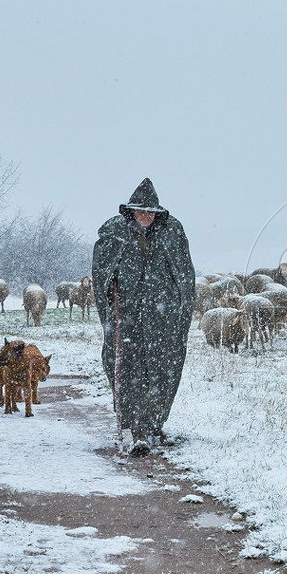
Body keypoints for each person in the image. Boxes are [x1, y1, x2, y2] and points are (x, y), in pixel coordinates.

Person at [92, 178, 196, 457]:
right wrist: (111, 294)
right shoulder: (114, 234)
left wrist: (178, 308)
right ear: (131, 212)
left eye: (150, 212)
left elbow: (184, 274)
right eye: (141, 211)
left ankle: (154, 422)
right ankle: (136, 427)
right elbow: (101, 273)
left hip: (162, 317)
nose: (146, 217)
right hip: (126, 316)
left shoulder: (171, 233)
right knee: (128, 368)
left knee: (162, 369)